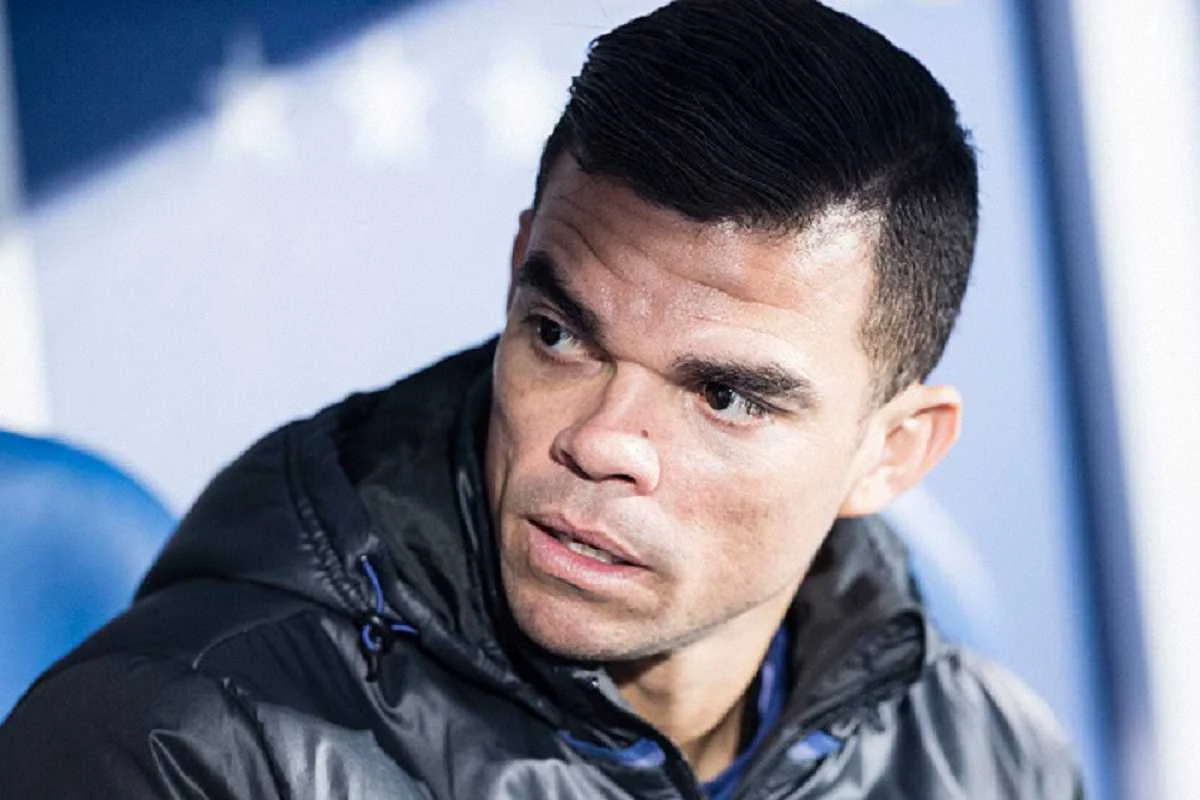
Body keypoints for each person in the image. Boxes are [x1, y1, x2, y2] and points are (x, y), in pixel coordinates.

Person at [0, 0, 1082, 796]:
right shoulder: (180, 748)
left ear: (893, 453)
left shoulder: (990, 757)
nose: (604, 440)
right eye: (561, 334)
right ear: (518, 269)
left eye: (726, 396)